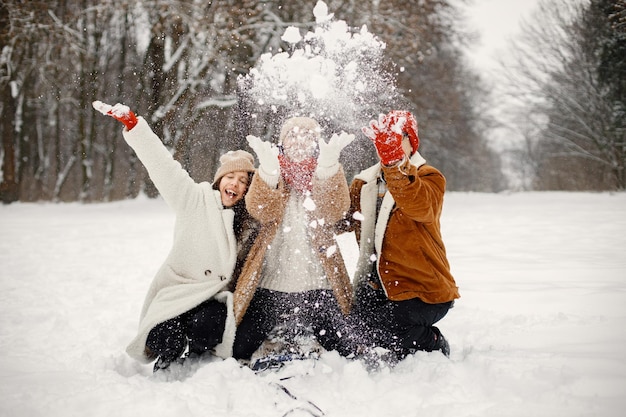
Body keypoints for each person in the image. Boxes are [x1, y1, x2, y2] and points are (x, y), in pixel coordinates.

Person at [93, 101, 258, 372]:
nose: (235, 184)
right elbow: (163, 166)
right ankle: (173, 348)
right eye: (231, 177)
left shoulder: (247, 223)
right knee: (162, 338)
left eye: (243, 181)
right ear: (220, 180)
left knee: (208, 326)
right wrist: (135, 127)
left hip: (210, 301)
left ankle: (194, 351)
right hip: (177, 293)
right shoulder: (194, 199)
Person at [231, 116, 356, 362]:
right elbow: (260, 210)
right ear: (282, 143)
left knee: (346, 350)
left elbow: (334, 212)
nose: (299, 140)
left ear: (316, 143)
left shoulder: (324, 174)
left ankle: (301, 330)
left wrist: (328, 168)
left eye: (307, 135)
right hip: (271, 286)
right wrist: (266, 173)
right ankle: (284, 329)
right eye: (292, 135)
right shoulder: (272, 174)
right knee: (239, 349)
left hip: (319, 287)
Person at [339, 110, 460, 362]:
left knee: (387, 334)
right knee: (348, 333)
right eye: (388, 136)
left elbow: (420, 206)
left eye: (400, 136)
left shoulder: (428, 176)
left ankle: (433, 341)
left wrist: (394, 163)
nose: (394, 140)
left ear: (411, 141)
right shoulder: (364, 183)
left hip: (423, 290)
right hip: (377, 288)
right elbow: (340, 221)